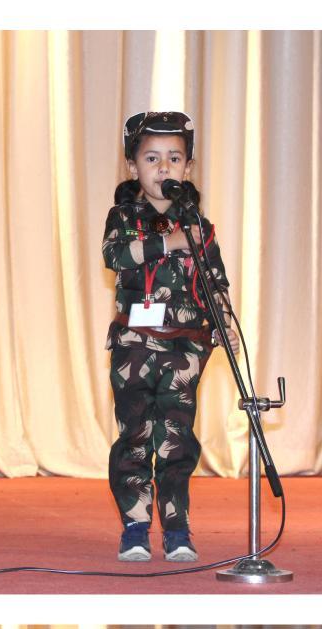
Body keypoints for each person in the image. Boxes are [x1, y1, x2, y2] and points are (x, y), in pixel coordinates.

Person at [101, 111, 231, 564]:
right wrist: (169, 242)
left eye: (174, 158)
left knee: (177, 440)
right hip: (134, 346)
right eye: (151, 158)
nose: (163, 168)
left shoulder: (199, 226)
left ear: (187, 168)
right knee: (135, 436)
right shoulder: (123, 216)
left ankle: (177, 529)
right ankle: (135, 527)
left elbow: (216, 283)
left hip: (184, 348)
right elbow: (117, 257)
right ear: (132, 166)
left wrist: (224, 327)